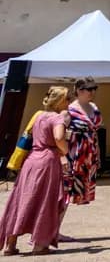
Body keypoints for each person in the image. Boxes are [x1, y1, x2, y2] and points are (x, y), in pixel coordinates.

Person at [0, 86, 71, 256]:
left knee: (21, 199)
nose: (69, 102)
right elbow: (59, 137)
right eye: (67, 99)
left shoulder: (38, 115)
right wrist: (66, 153)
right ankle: (40, 245)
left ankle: (10, 245)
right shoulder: (57, 118)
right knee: (45, 200)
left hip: (31, 161)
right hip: (47, 162)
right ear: (60, 101)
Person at [59, 78, 102, 235]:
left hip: (88, 156)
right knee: (64, 193)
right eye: (87, 89)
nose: (91, 92)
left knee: (71, 196)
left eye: (93, 89)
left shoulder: (94, 108)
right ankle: (51, 231)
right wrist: (62, 156)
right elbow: (59, 135)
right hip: (73, 155)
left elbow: (95, 132)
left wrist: (97, 156)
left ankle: (56, 230)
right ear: (78, 90)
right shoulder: (69, 110)